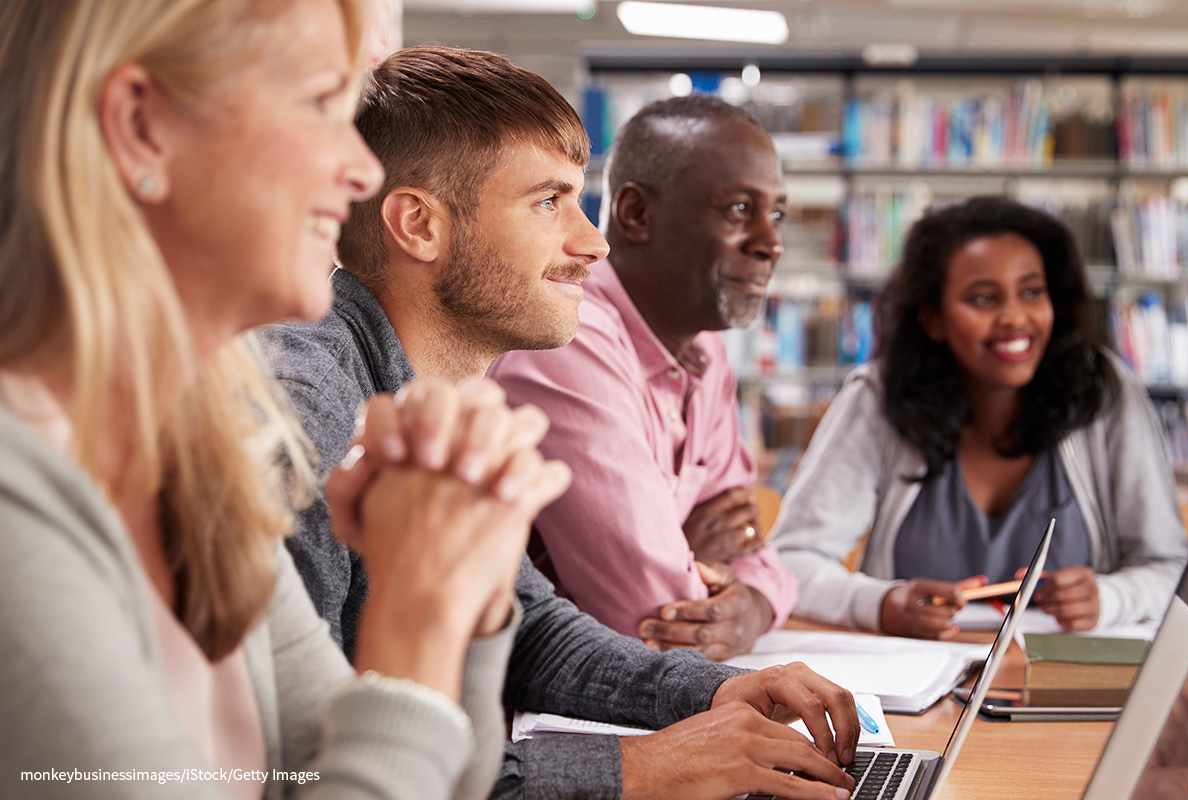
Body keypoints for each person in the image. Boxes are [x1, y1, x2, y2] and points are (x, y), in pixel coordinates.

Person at [0, 2, 573, 798]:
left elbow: (415, 776)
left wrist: (458, 590)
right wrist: (415, 617)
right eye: (321, 106)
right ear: (141, 128)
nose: (364, 170)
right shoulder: (17, 495)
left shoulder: (193, 452)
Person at [266, 47, 860, 800]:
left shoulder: (437, 402)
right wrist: (642, 769)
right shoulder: (304, 408)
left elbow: (530, 631)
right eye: (549, 202)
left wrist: (716, 693)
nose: (594, 243)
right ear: (418, 224)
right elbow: (297, 764)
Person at [771, 196, 1188, 639]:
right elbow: (789, 563)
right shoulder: (878, 398)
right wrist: (880, 604)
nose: (1014, 317)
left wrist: (1109, 599)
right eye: (983, 298)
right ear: (932, 318)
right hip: (919, 695)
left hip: (1062, 695)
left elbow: (1172, 570)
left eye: (1032, 292)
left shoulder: (1105, 393)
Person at [489, 95, 797, 660]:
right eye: (737, 210)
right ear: (635, 214)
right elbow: (652, 617)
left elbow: (757, 550)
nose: (770, 243)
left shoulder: (705, 346)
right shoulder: (569, 337)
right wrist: (689, 550)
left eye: (776, 214)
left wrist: (751, 605)